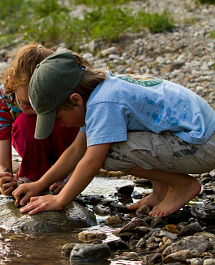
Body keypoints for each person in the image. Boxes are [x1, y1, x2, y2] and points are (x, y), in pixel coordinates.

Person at [12, 50, 215, 217]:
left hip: (201, 145)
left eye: (57, 118)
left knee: (109, 153)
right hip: (197, 135)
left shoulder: (103, 103)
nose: (61, 125)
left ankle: (182, 185)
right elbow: (76, 149)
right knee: (106, 140)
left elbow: (91, 160)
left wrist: (59, 199)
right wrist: (40, 184)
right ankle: (160, 191)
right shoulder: (102, 90)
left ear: (75, 100)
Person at [0, 44, 81, 195]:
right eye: (27, 103)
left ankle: (65, 174)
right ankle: (32, 175)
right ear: (12, 83)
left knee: (66, 115)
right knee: (27, 121)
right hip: (32, 142)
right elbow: (1, 163)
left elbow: (85, 141)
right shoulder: (4, 99)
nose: (36, 110)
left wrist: (73, 179)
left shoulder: (64, 88)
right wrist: (3, 179)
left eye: (41, 104)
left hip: (68, 145)